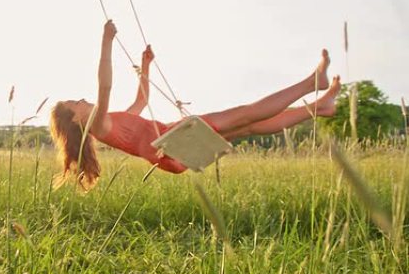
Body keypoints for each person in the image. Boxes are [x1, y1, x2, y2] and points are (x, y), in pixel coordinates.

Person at [50, 20, 341, 190]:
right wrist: (106, 41)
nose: (83, 100)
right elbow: (105, 86)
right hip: (173, 141)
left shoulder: (109, 124)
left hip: (173, 152)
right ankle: (313, 83)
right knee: (246, 114)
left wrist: (145, 66)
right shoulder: (98, 124)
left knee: (249, 125)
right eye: (76, 103)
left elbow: (142, 101)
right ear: (75, 120)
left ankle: (319, 107)